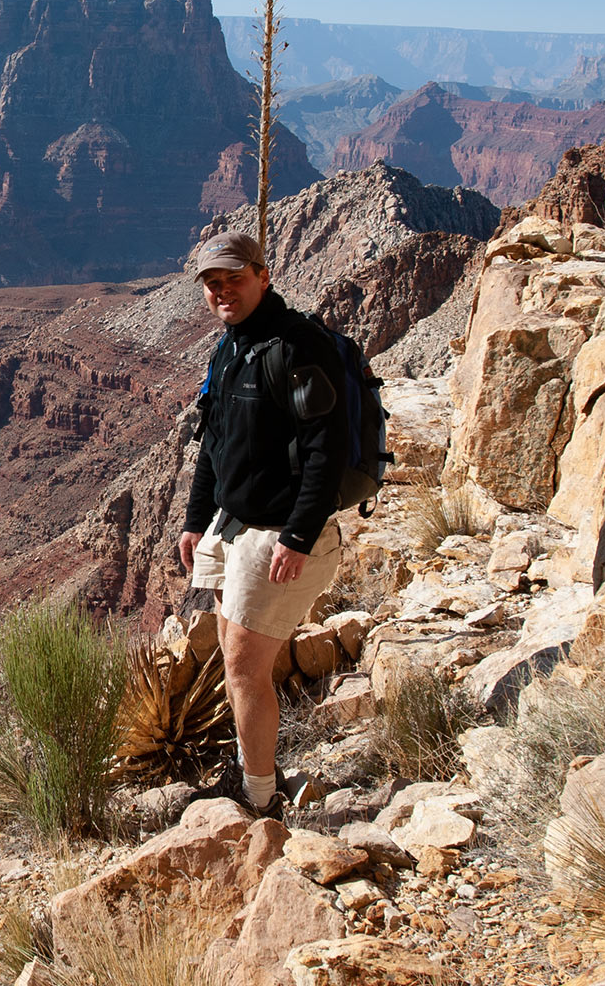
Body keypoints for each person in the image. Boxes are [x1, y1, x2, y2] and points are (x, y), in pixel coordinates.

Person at [178, 229, 348, 817]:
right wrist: (196, 519)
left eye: (234, 279)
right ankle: (259, 767)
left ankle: (257, 799)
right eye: (212, 283)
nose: (222, 291)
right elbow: (212, 442)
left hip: (280, 531)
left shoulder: (297, 346)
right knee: (231, 650)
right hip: (232, 524)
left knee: (245, 669)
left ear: (263, 275)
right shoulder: (228, 348)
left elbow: (327, 447)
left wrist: (299, 534)